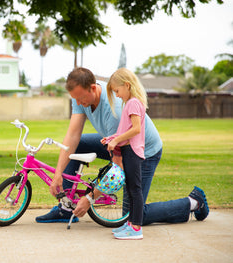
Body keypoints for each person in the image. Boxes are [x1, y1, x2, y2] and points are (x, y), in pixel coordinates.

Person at [35, 67, 209, 228]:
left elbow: (117, 167)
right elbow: (72, 136)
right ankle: (67, 208)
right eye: (75, 99)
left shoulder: (114, 110)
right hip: (114, 140)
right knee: (78, 144)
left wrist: (89, 198)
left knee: (131, 215)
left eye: (81, 98)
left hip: (144, 151)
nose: (78, 103)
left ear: (93, 88)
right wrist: (58, 174)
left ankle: (193, 202)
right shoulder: (79, 96)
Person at [99, 68, 147, 239]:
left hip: (132, 151)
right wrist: (110, 138)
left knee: (135, 189)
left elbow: (135, 129)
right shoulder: (130, 103)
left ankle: (136, 228)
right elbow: (124, 130)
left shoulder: (133, 103)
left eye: (117, 91)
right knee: (130, 189)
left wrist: (114, 141)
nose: (117, 95)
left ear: (127, 85)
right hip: (129, 150)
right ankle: (130, 223)